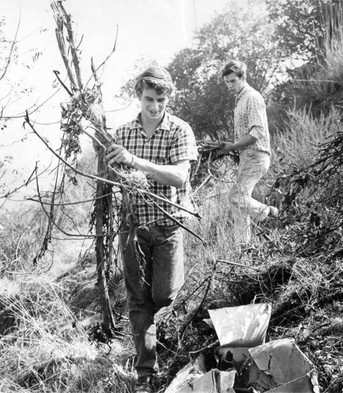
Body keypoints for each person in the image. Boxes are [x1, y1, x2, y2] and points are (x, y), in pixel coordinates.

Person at [105, 66, 198, 393]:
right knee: (139, 300)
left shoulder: (179, 130)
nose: (155, 106)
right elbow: (113, 177)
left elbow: (179, 177)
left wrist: (136, 163)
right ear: (138, 96)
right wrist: (114, 165)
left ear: (167, 97)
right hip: (133, 227)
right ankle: (146, 373)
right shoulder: (123, 133)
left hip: (168, 224)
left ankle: (166, 344)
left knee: (165, 295)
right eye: (149, 99)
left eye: (160, 99)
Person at [220, 60, 278, 246]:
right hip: (248, 157)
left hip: (256, 156)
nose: (229, 86)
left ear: (243, 77)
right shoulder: (240, 100)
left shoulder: (252, 97)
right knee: (239, 206)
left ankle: (268, 212)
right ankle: (242, 249)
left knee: (235, 197)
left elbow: (257, 133)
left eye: (233, 81)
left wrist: (232, 146)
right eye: (227, 82)